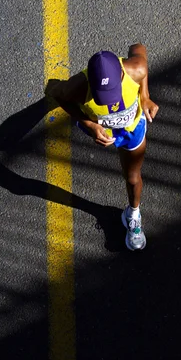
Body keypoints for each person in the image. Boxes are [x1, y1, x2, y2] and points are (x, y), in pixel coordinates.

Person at [45, 44, 159, 250]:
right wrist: (88, 124)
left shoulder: (136, 69)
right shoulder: (77, 85)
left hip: (131, 130)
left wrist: (145, 96)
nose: (109, 101)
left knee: (133, 178)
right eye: (102, 93)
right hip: (103, 128)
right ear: (90, 81)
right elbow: (55, 93)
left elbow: (138, 47)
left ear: (123, 74)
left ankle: (133, 214)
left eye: (112, 91)